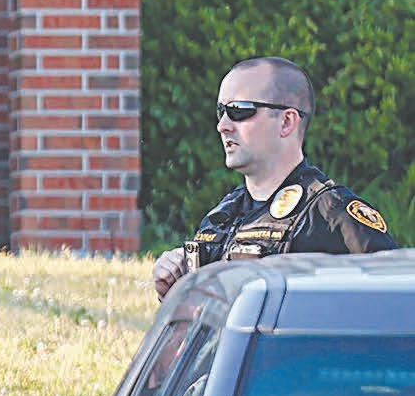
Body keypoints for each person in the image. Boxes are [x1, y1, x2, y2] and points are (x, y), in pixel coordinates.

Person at [152, 57, 396, 298]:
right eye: (221, 111)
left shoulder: (331, 215)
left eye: (239, 110)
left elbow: (396, 300)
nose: (223, 125)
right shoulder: (222, 217)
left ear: (286, 122)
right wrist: (173, 290)